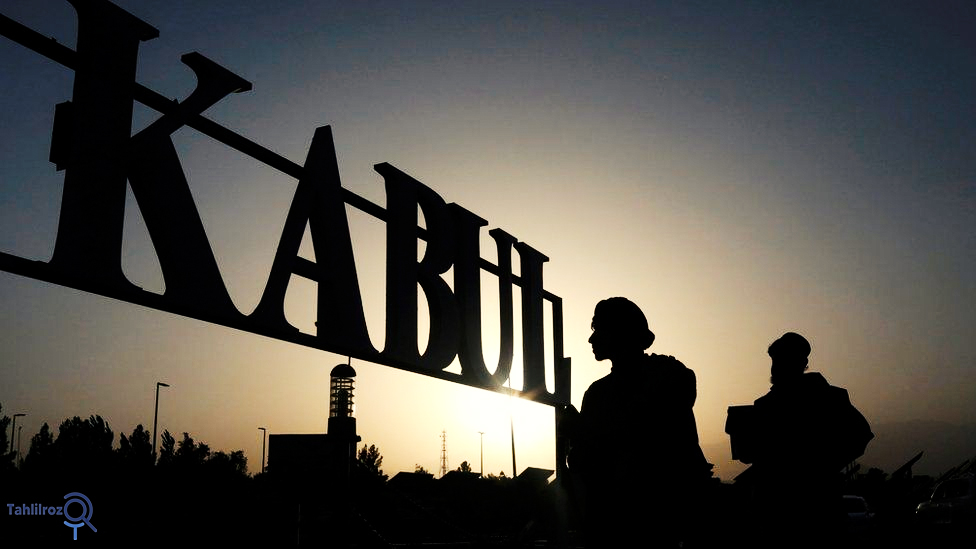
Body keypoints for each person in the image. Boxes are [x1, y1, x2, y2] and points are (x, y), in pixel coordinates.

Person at [565, 297, 711, 548]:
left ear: (619, 333)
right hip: (652, 520)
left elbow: (625, 443)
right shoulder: (669, 375)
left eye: (598, 329)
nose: (591, 339)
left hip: (640, 521)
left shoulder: (664, 379)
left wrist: (578, 432)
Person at [731, 332, 873, 549]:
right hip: (777, 509)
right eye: (774, 361)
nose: (775, 368)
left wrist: (822, 465)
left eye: (782, 361)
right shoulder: (765, 405)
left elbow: (860, 434)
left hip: (816, 508)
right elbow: (749, 454)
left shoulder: (828, 398)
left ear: (801, 363)